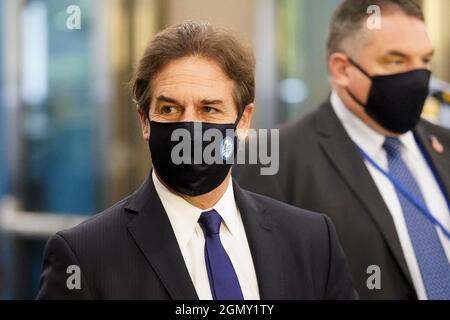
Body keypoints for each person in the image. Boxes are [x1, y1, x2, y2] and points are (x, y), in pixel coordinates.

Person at [37, 22, 357, 300]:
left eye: (209, 109)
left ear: (244, 120)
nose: (189, 128)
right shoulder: (84, 257)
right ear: (145, 122)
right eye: (169, 109)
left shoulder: (312, 240)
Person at [235, 0, 450, 300]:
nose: (418, 77)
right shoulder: (275, 158)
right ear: (342, 69)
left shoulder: (444, 145)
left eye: (425, 61)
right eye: (396, 61)